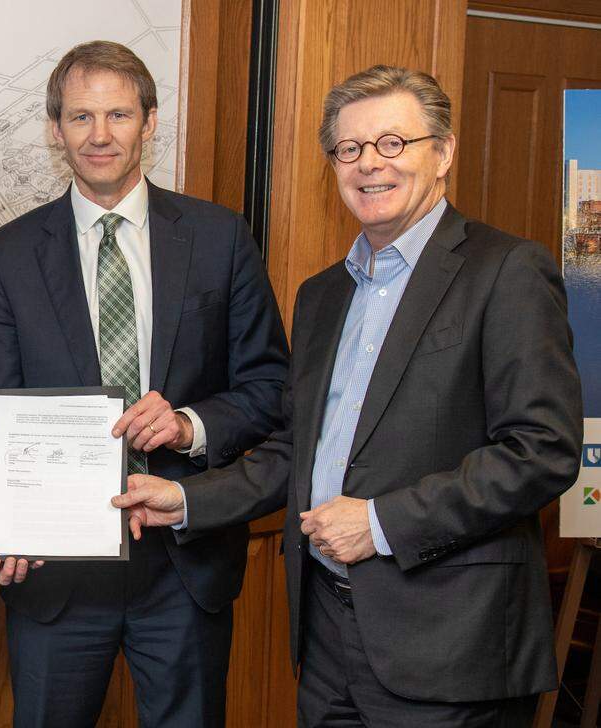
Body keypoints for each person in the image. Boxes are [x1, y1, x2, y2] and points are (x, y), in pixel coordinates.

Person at [113, 65, 584, 727]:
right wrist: (189, 498)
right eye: (350, 148)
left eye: (393, 143)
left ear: (443, 152)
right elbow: (296, 450)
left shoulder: (506, 270)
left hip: (451, 644)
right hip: (327, 640)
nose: (369, 164)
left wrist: (383, 523)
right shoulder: (323, 294)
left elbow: (541, 452)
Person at [0, 41, 289, 727]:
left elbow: (269, 385)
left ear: (150, 122)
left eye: (118, 114)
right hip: (54, 573)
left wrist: (188, 425)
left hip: (185, 564)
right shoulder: (6, 256)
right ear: (56, 130)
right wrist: (8, 523)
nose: (100, 135)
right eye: (80, 117)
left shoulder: (220, 238)